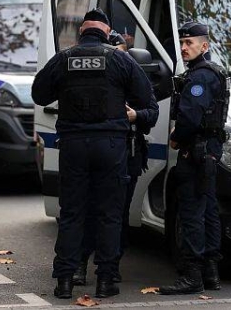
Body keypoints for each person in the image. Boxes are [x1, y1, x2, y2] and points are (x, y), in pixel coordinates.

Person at [32, 8, 154, 299]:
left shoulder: (64, 59)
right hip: (111, 147)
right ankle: (106, 280)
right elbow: (149, 104)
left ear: (82, 32)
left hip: (73, 146)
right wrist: (134, 114)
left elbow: (39, 94)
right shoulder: (120, 59)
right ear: (107, 32)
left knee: (72, 212)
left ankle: (64, 280)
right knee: (109, 213)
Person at [74, 30, 159, 286]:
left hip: (127, 152)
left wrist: (136, 116)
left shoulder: (135, 78)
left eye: (120, 54)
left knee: (116, 213)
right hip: (94, 153)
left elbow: (151, 111)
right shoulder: (89, 83)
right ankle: (80, 263)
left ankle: (109, 265)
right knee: (88, 210)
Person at [159, 21, 229, 295]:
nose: (185, 48)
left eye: (190, 43)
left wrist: (177, 136)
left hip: (195, 152)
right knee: (208, 211)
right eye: (183, 43)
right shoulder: (213, 72)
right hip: (208, 152)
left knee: (191, 214)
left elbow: (189, 117)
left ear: (205, 45)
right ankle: (211, 273)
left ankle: (192, 276)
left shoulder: (200, 77)